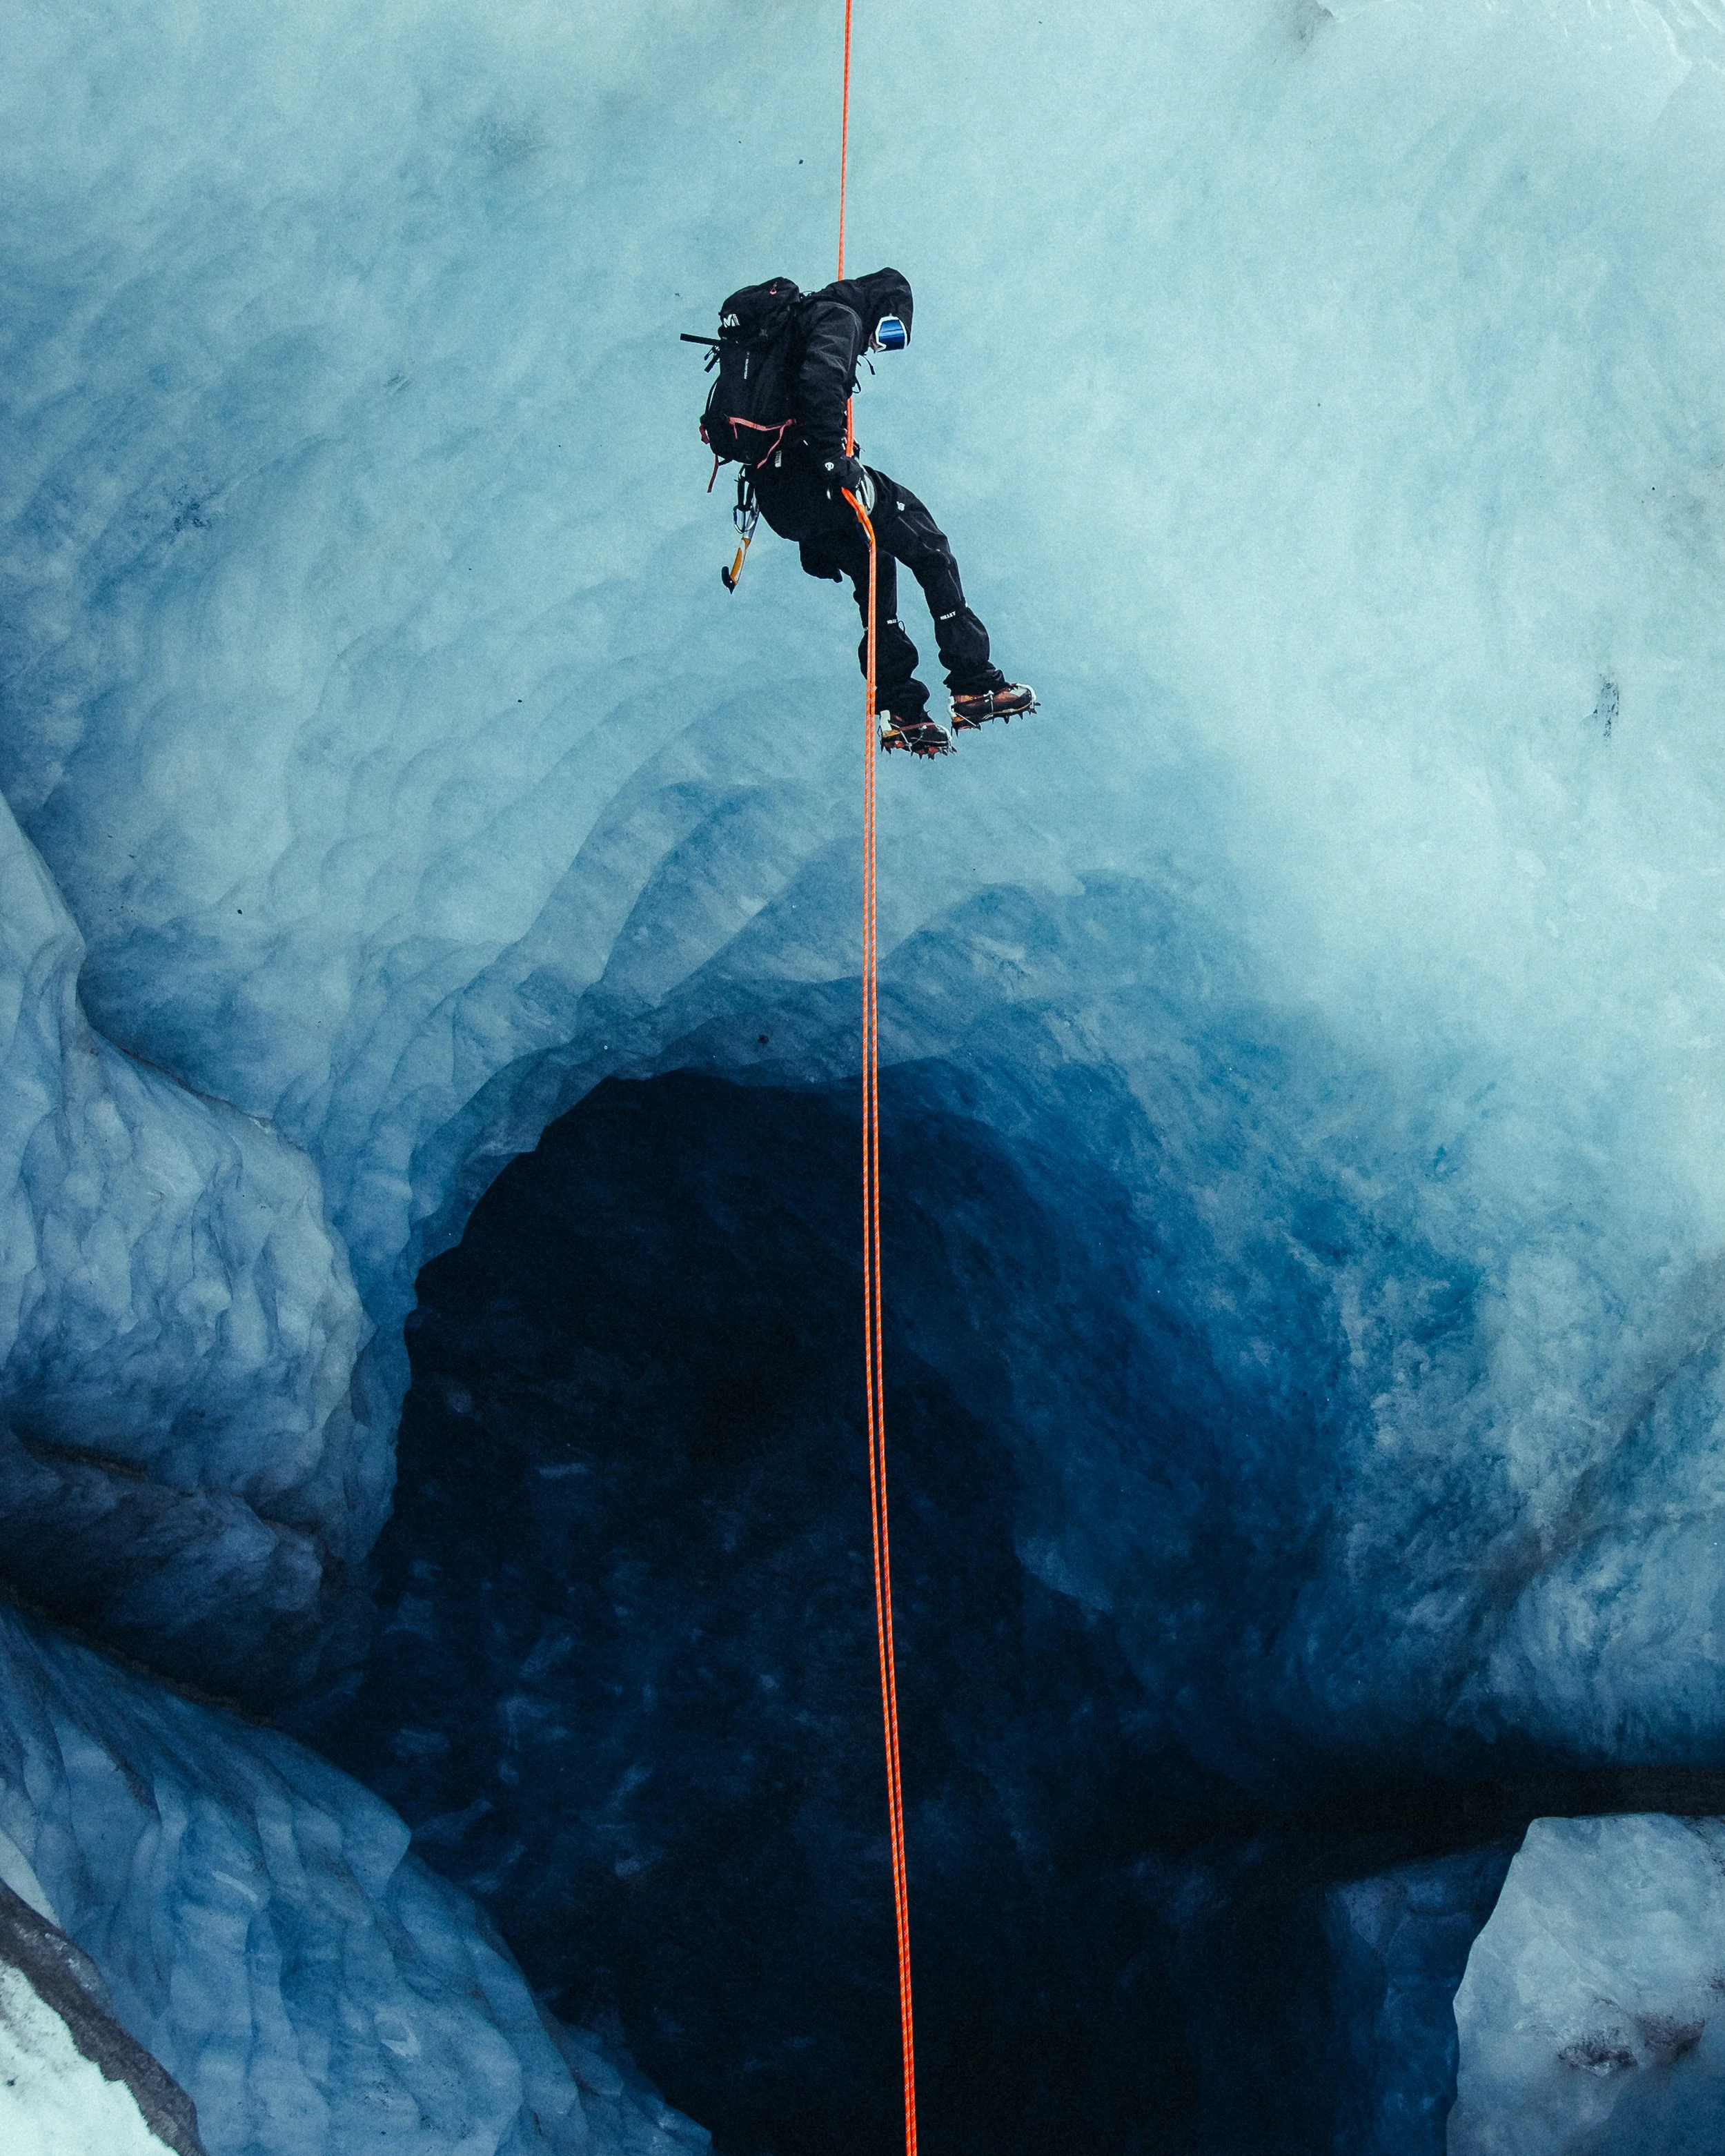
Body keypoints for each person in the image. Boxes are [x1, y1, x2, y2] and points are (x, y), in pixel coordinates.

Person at [748, 268, 1035, 759]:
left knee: (874, 566)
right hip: (821, 481)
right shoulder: (838, 315)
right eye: (889, 333)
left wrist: (815, 527)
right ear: (882, 308)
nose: (882, 347)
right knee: (927, 545)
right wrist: (833, 461)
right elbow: (822, 381)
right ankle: (973, 684)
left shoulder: (788, 332)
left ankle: (902, 709)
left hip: (781, 500)